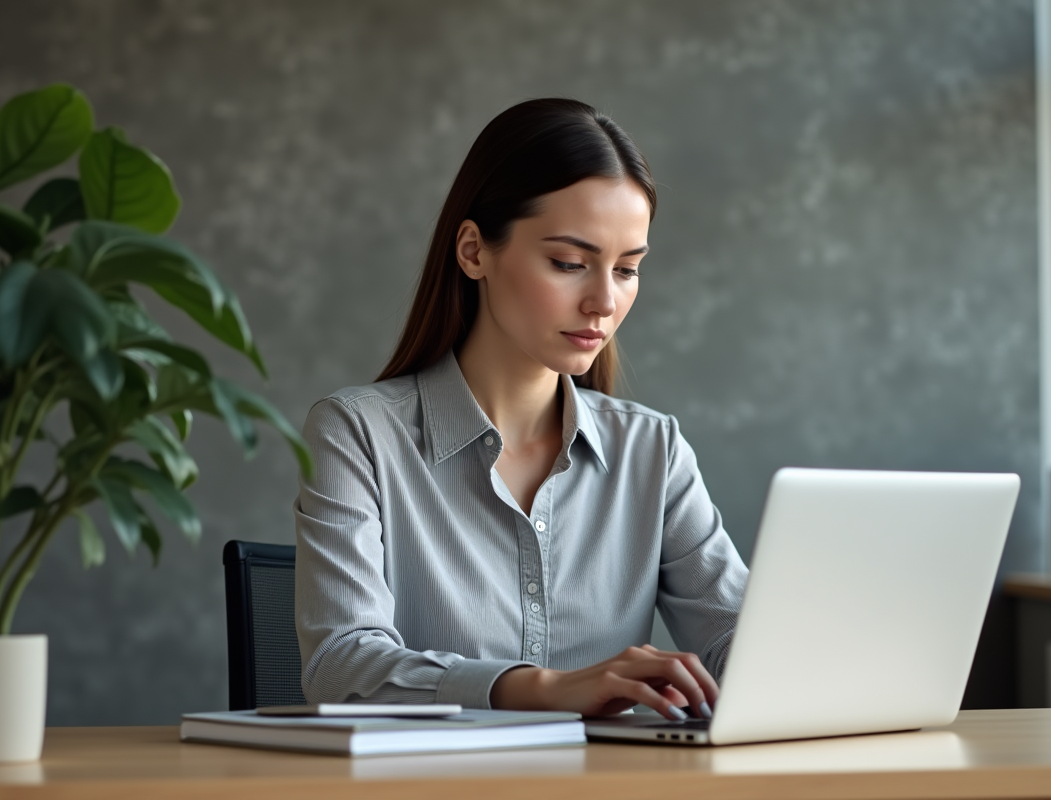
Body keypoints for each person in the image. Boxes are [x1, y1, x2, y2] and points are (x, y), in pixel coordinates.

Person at [294, 98, 747, 722]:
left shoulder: (652, 450)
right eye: (568, 264)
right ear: (475, 251)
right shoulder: (359, 434)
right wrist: (543, 689)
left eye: (627, 270)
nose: (603, 302)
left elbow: (740, 646)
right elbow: (340, 666)